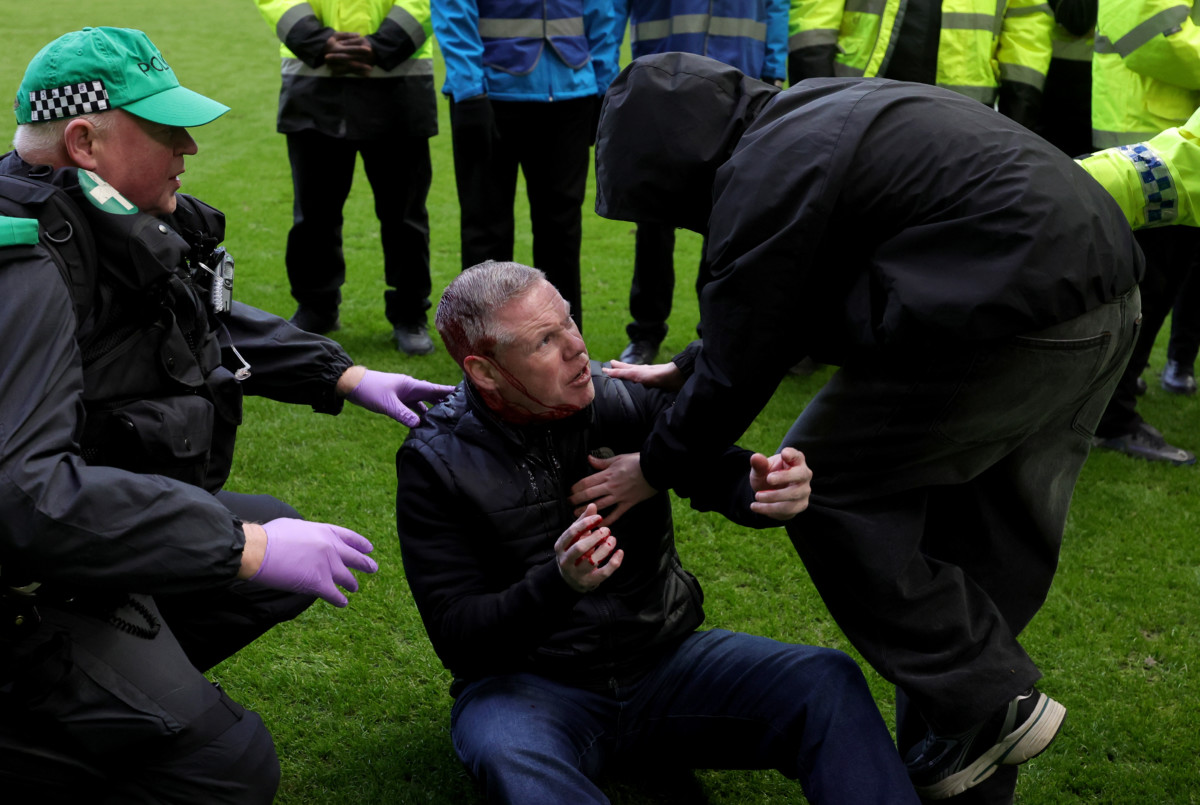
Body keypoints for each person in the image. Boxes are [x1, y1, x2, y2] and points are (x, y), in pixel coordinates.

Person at [588, 52, 1200, 802]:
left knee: (817, 484)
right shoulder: (806, 119)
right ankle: (968, 759)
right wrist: (691, 366)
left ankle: (987, 695)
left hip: (1016, 316)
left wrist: (652, 465)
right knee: (974, 557)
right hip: (1103, 301)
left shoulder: (766, 169)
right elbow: (782, 298)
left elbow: (746, 351)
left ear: (673, 162)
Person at [0, 27, 455, 802]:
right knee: (231, 767)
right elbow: (23, 495)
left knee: (269, 555)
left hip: (56, 556)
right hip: (24, 574)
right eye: (167, 130)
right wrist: (238, 544)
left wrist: (342, 372)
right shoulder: (22, 263)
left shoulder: (78, 223)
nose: (190, 149)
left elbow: (185, 314)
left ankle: (105, 687)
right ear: (84, 141)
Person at [395, 260, 922, 804]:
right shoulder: (436, 462)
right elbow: (459, 636)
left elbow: (715, 469)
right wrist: (559, 584)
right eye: (545, 341)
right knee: (513, 758)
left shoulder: (621, 395)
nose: (577, 348)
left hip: (666, 662)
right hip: (527, 689)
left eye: (569, 322)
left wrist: (766, 488)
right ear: (484, 372)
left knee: (824, 681)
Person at [254, 0, 440, 355]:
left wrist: (382, 44)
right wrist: (316, 40)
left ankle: (410, 312)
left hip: (398, 84)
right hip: (315, 83)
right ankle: (316, 307)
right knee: (313, 213)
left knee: (404, 216)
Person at [610, 0, 788, 364]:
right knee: (653, 220)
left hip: (738, 89)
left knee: (727, 217)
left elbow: (776, 5)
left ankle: (715, 333)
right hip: (663, 87)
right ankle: (645, 333)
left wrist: (774, 69)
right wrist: (610, 70)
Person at [432, 0, 621, 331]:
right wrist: (469, 90)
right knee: (486, 230)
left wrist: (603, 88)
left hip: (570, 96)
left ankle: (564, 342)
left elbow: (602, 12)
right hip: (490, 96)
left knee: (561, 231)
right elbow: (452, 8)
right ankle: (484, 343)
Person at [1087, 0, 1200, 463]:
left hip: (1169, 138)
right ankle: (1110, 419)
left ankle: (1115, 401)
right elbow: (1152, 35)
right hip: (1144, 136)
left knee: (1159, 286)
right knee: (1140, 290)